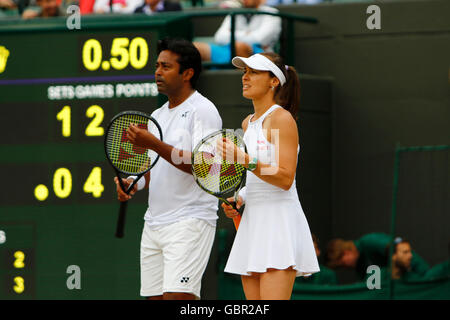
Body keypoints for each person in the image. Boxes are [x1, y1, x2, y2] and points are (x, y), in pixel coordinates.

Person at [114, 38, 222, 300]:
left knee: (178, 299)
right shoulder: (158, 115)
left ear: (187, 73)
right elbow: (152, 166)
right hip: (154, 223)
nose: (158, 72)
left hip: (190, 221)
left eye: (166, 66)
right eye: (157, 66)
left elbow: (205, 167)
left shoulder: (204, 110)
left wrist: (155, 143)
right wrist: (134, 183)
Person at [219, 52, 320, 300]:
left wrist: (244, 160)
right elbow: (257, 176)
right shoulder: (247, 123)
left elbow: (285, 178)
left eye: (253, 72)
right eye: (244, 72)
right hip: (253, 223)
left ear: (274, 81)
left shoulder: (282, 119)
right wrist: (241, 195)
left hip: (279, 224)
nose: (245, 77)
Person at [193, 0, 281, 64]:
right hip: (228, 49)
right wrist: (247, 34)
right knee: (194, 48)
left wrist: (231, 34)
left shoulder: (271, 12)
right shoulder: (235, 10)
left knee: (239, 47)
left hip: (260, 54)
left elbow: (260, 39)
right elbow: (219, 37)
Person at [326, 233, 429, 281]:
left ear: (346, 253)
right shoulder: (361, 269)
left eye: (343, 264)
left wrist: (427, 277)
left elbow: (402, 251)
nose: (346, 268)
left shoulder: (369, 242)